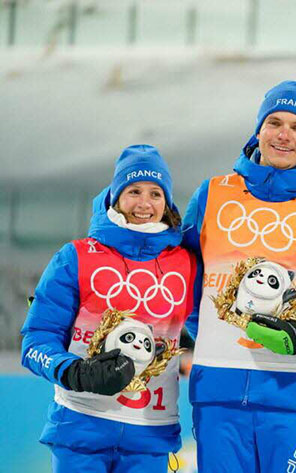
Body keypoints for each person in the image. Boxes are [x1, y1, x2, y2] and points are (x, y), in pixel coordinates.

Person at [182, 80, 296, 473]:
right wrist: (212, 334)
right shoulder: (211, 194)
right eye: (274, 122)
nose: (284, 134)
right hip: (218, 393)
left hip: (295, 395)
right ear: (258, 130)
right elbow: (181, 279)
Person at [20, 144, 198, 472]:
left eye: (156, 193)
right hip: (81, 428)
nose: (145, 203)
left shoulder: (186, 265)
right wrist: (74, 371)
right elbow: (36, 343)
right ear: (116, 195)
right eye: (134, 191)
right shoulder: (76, 257)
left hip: (150, 434)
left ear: (167, 202)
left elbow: (216, 325)